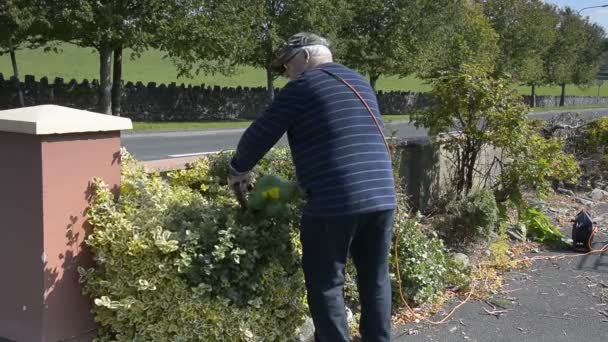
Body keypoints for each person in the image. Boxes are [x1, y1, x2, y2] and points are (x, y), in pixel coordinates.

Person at [228, 32, 396, 342]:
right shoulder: (360, 82)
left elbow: (261, 133)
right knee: (375, 279)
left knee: (326, 283)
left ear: (304, 58)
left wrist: (237, 170)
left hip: (334, 201)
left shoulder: (302, 86)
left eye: (286, 65)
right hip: (382, 195)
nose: (285, 74)